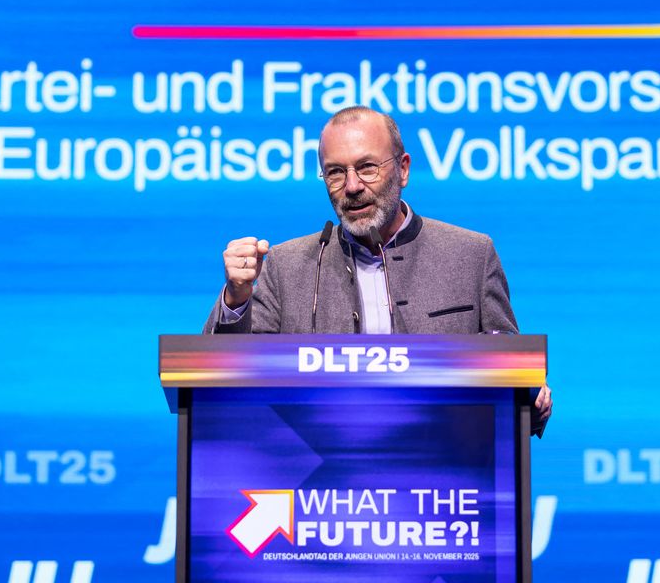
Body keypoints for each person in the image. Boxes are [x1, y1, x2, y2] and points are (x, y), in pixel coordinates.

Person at [204, 106, 552, 431]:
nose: (352, 187)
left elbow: (514, 381)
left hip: (443, 474)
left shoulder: (471, 255)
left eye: (367, 167)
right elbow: (221, 386)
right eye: (336, 172)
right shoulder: (286, 265)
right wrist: (236, 300)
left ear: (402, 169)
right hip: (319, 476)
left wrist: (528, 399)